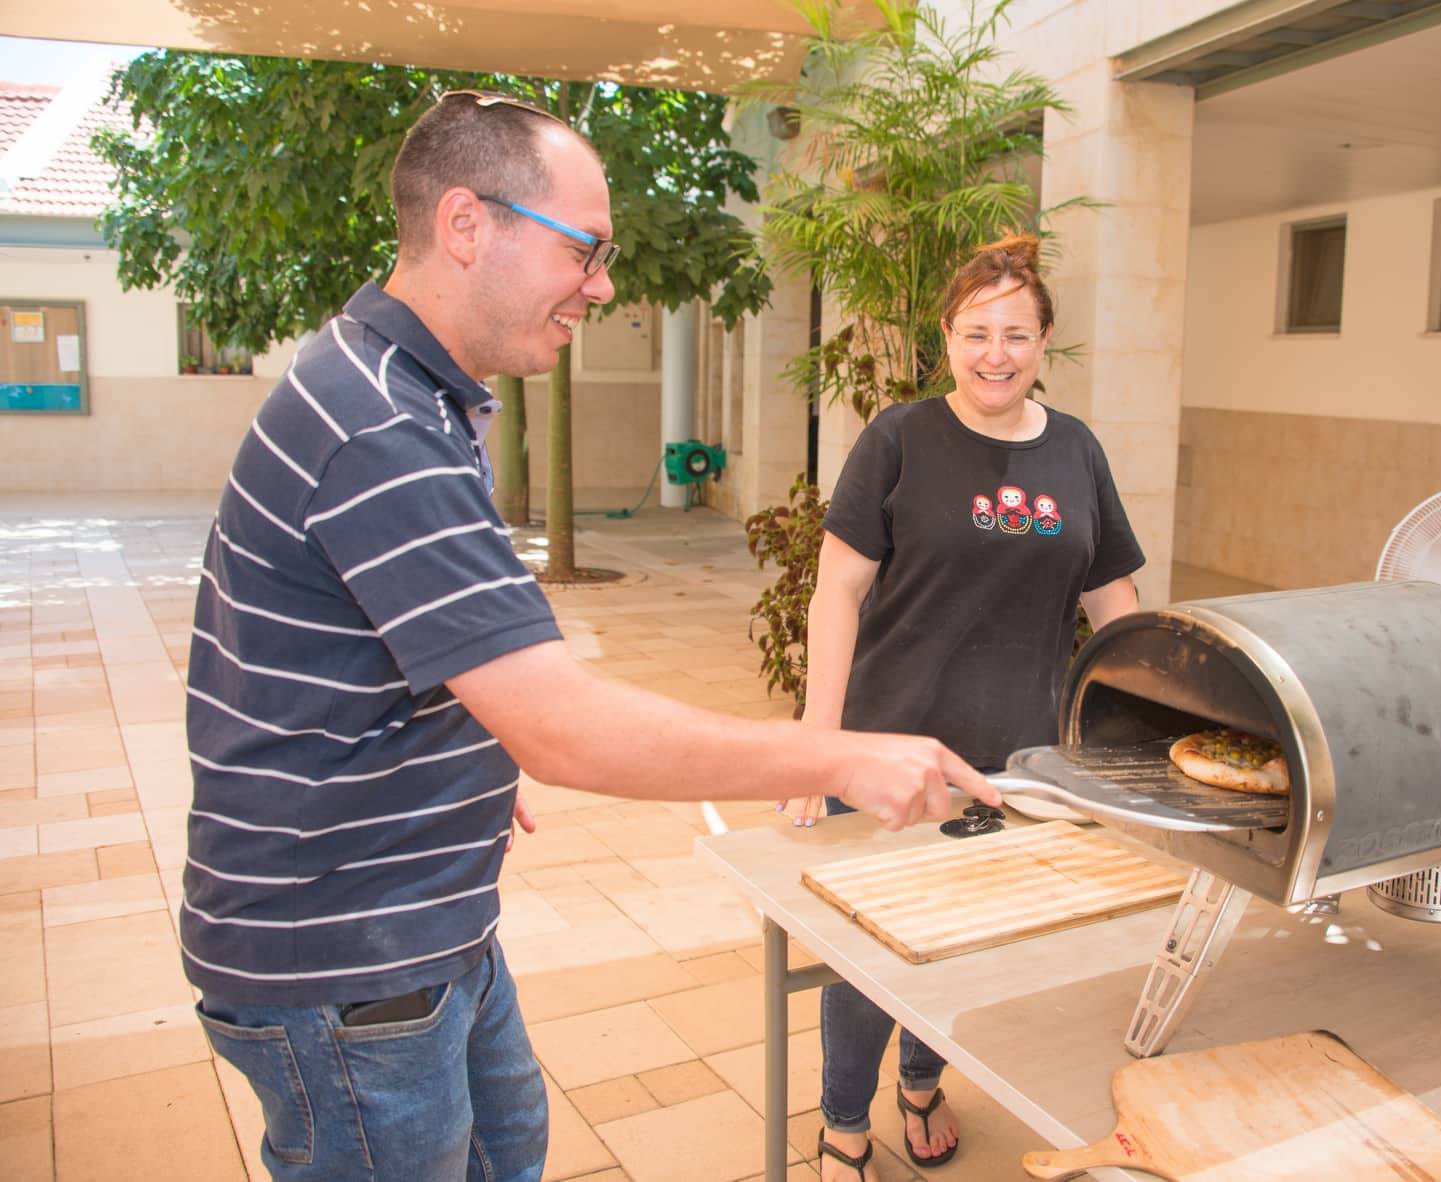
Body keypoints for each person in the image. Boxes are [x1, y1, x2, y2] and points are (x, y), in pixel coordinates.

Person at [181, 90, 995, 1182]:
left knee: (510, 1148)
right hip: (345, 955)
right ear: (465, 225)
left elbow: (384, 644)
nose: (603, 287)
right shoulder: (379, 424)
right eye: (584, 250)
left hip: (419, 924)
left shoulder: (407, 390)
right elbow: (565, 729)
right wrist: (838, 755)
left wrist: (463, 746)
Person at [779, 233, 1145, 1181]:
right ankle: (843, 1124)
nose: (996, 354)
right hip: (891, 747)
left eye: (1016, 334)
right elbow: (836, 594)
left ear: (1045, 341)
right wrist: (819, 745)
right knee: (871, 951)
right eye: (977, 333)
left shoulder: (1077, 450)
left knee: (967, 941)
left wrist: (1152, 730)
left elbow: (1117, 607)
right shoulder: (900, 439)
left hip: (1020, 760)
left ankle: (921, 1083)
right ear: (945, 336)